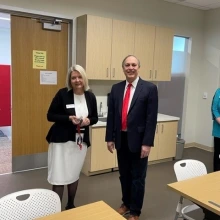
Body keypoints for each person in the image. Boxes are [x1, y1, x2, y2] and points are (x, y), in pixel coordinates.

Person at [105, 55, 158, 220]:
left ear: (138, 67)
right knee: (124, 175)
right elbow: (112, 115)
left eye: (133, 65)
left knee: (138, 177)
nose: (130, 68)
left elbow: (151, 118)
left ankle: (135, 211)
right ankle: (126, 203)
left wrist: (147, 143)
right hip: (121, 139)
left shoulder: (149, 88)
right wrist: (110, 138)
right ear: (123, 68)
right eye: (127, 65)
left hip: (139, 141)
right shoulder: (116, 88)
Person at [46, 64, 98, 209]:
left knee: (74, 174)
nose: (77, 80)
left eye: (79, 76)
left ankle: (70, 205)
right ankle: (54, 209)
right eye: (73, 77)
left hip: (79, 143)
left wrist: (89, 121)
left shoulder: (90, 96)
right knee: (59, 175)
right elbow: (50, 115)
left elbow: (95, 117)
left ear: (84, 78)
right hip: (61, 142)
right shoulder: (62, 94)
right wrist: (69, 118)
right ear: (70, 80)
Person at [211, 88, 220, 172]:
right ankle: (216, 173)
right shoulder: (218, 92)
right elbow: (214, 109)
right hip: (218, 130)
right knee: (218, 153)